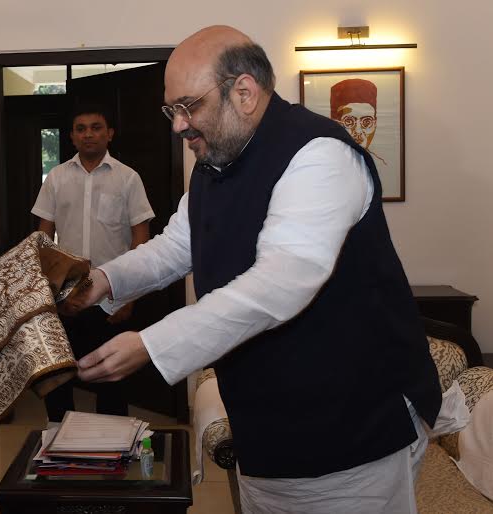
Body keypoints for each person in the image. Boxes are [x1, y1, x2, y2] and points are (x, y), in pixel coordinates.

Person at [71, 26, 446, 513]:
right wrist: (102, 281)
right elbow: (174, 247)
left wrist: (151, 344)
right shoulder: (214, 162)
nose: (178, 126)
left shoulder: (320, 155)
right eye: (172, 111)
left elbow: (278, 285)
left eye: (188, 107)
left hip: (351, 430)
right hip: (267, 432)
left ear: (244, 92)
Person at [31, 104, 154, 421]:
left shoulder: (128, 179)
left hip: (111, 300)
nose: (89, 134)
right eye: (81, 128)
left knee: (112, 383)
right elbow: (43, 240)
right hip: (65, 300)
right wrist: (49, 295)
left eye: (96, 127)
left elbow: (141, 240)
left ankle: (113, 454)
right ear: (72, 136)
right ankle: (58, 447)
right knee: (58, 380)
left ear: (110, 133)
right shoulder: (56, 178)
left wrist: (129, 295)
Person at [330, 78, 387, 164]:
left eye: (367, 122)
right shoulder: (327, 164)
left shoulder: (382, 165)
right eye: (349, 122)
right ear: (336, 123)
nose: (358, 131)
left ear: (375, 123)